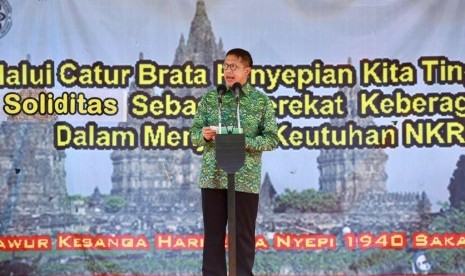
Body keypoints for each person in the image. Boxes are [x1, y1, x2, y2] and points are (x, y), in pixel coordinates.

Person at [190, 48, 279, 276]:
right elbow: (193, 134)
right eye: (225, 66)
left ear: (246, 71)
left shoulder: (260, 102)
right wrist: (205, 135)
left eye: (234, 67)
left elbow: (271, 139)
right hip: (213, 177)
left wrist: (240, 140)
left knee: (243, 238)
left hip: (245, 179)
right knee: (213, 237)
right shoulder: (211, 98)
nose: (228, 71)